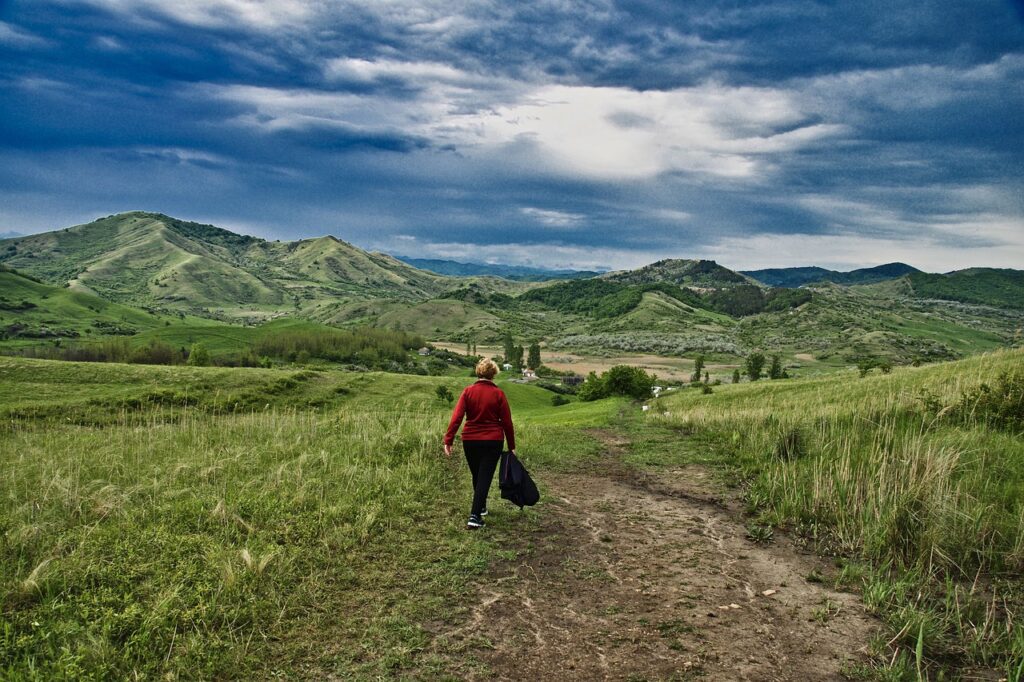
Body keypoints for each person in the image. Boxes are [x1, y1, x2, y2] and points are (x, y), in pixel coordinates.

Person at [443, 358, 516, 530]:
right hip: (493, 441)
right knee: (483, 477)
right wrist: (511, 445)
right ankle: (475, 516)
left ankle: (481, 507)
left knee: (478, 475)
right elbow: (507, 422)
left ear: (478, 372)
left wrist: (449, 439)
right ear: (494, 374)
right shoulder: (498, 394)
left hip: (470, 440)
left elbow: (457, 418)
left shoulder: (468, 391)